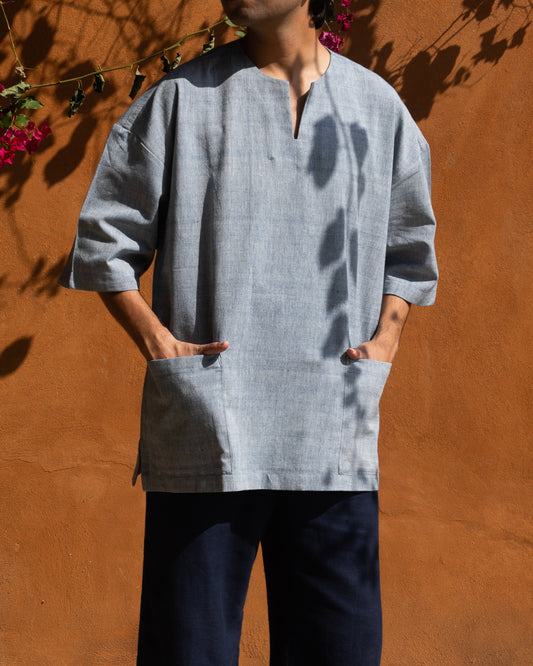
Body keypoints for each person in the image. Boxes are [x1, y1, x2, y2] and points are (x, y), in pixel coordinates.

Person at [59, 0, 438, 663]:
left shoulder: (376, 107)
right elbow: (104, 243)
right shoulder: (179, 99)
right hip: (209, 422)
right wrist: (157, 343)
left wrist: (386, 340)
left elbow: (409, 250)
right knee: (189, 650)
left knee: (339, 649)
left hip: (332, 426)